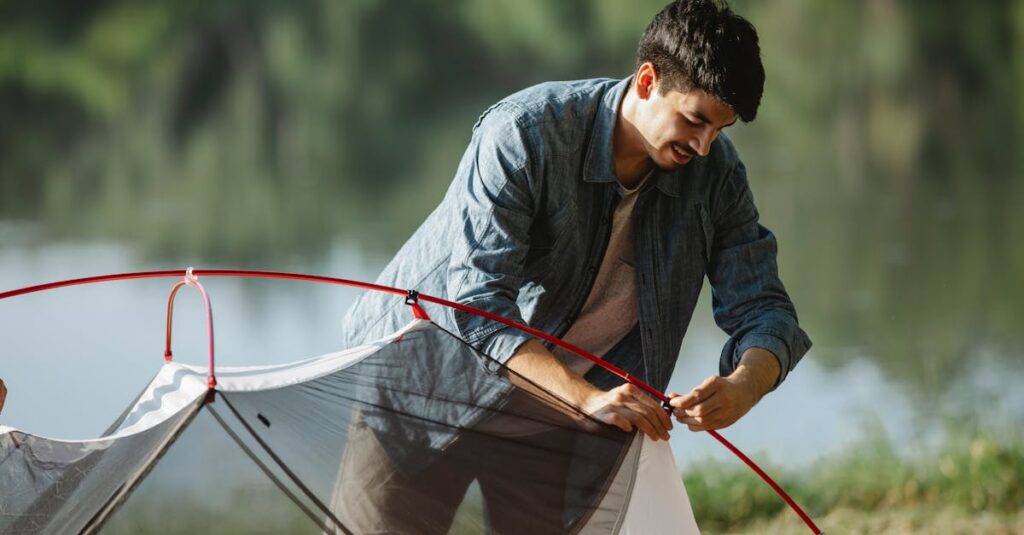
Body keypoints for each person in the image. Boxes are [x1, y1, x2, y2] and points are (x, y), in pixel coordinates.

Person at [333, 0, 812, 532]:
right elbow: (476, 307)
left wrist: (746, 383)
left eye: (719, 131)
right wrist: (590, 400)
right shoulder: (524, 134)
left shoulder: (715, 177)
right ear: (648, 80)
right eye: (694, 121)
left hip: (554, 424)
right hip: (422, 395)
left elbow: (766, 311)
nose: (703, 147)